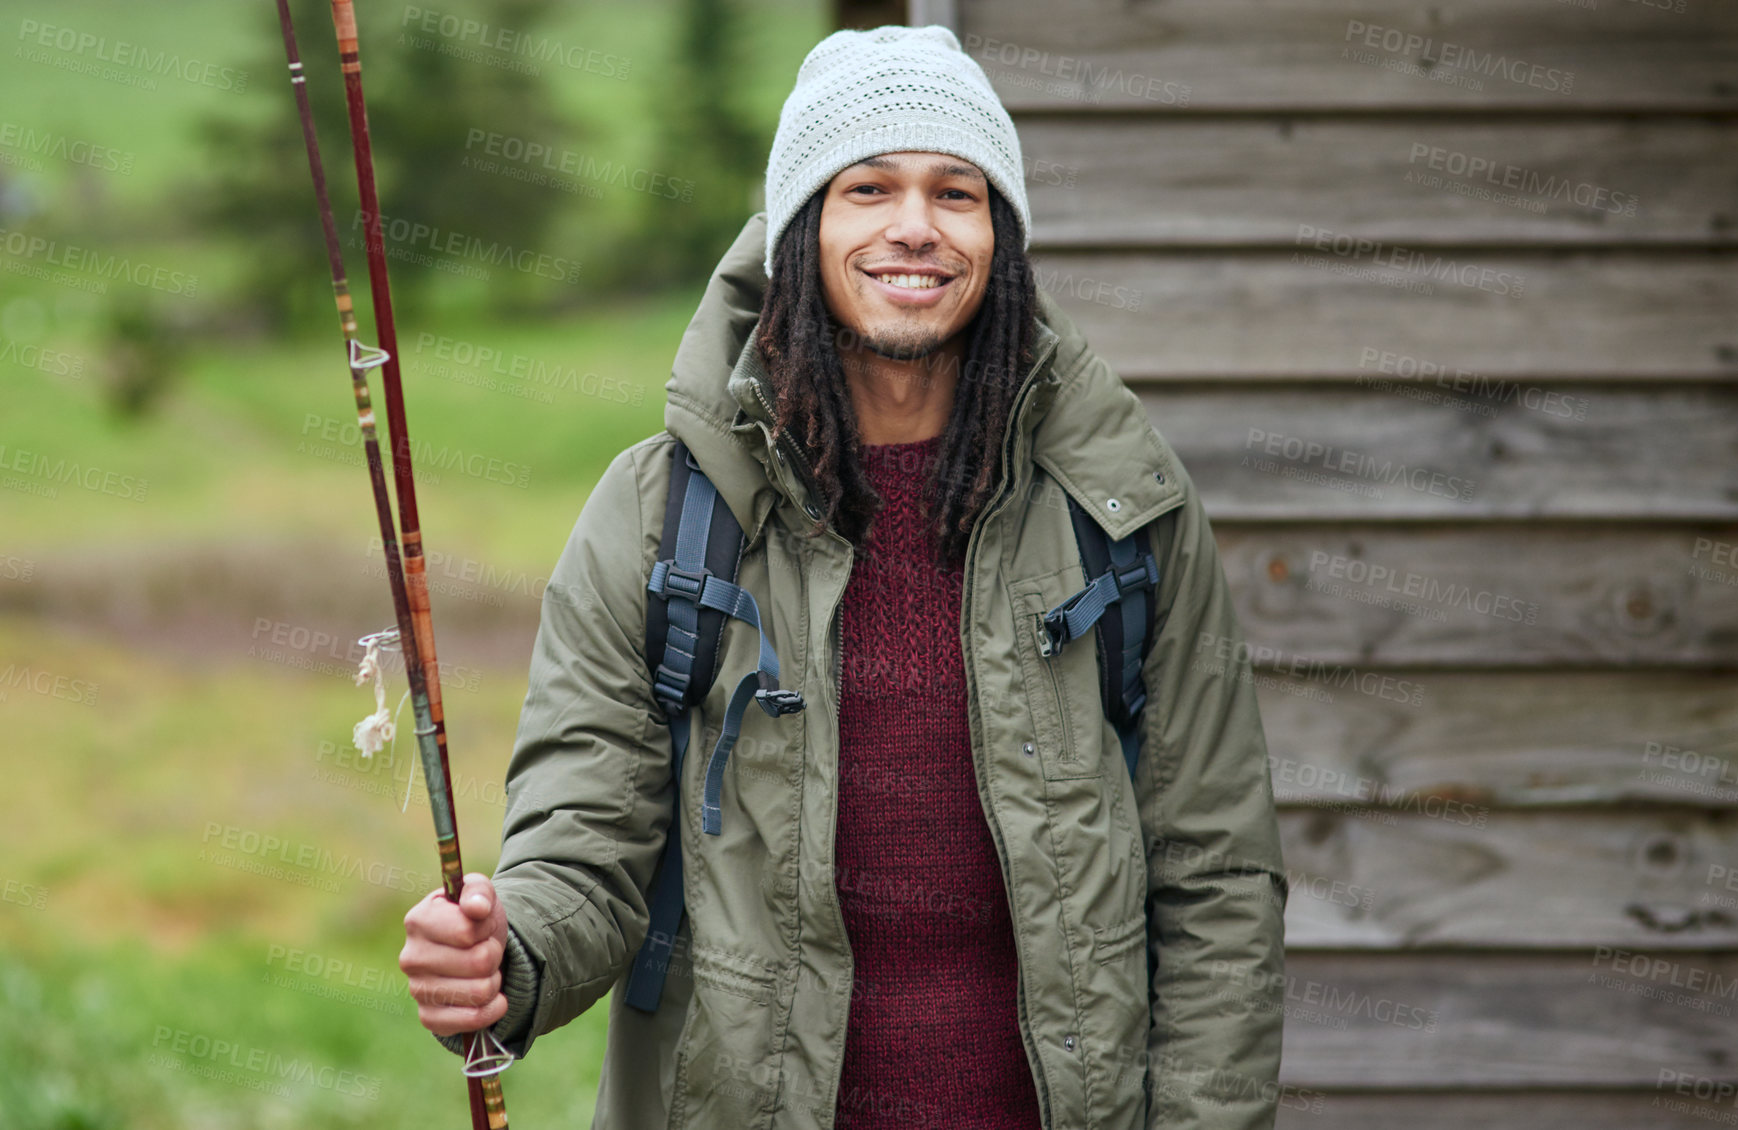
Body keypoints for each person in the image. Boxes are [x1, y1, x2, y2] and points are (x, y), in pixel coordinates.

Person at [398, 24, 1287, 1130]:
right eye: (867, 187)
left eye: (956, 193)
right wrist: (506, 947)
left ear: (999, 240)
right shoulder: (662, 518)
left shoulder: (1123, 509)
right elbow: (584, 840)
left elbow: (1216, 877)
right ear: (800, 230)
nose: (913, 226)